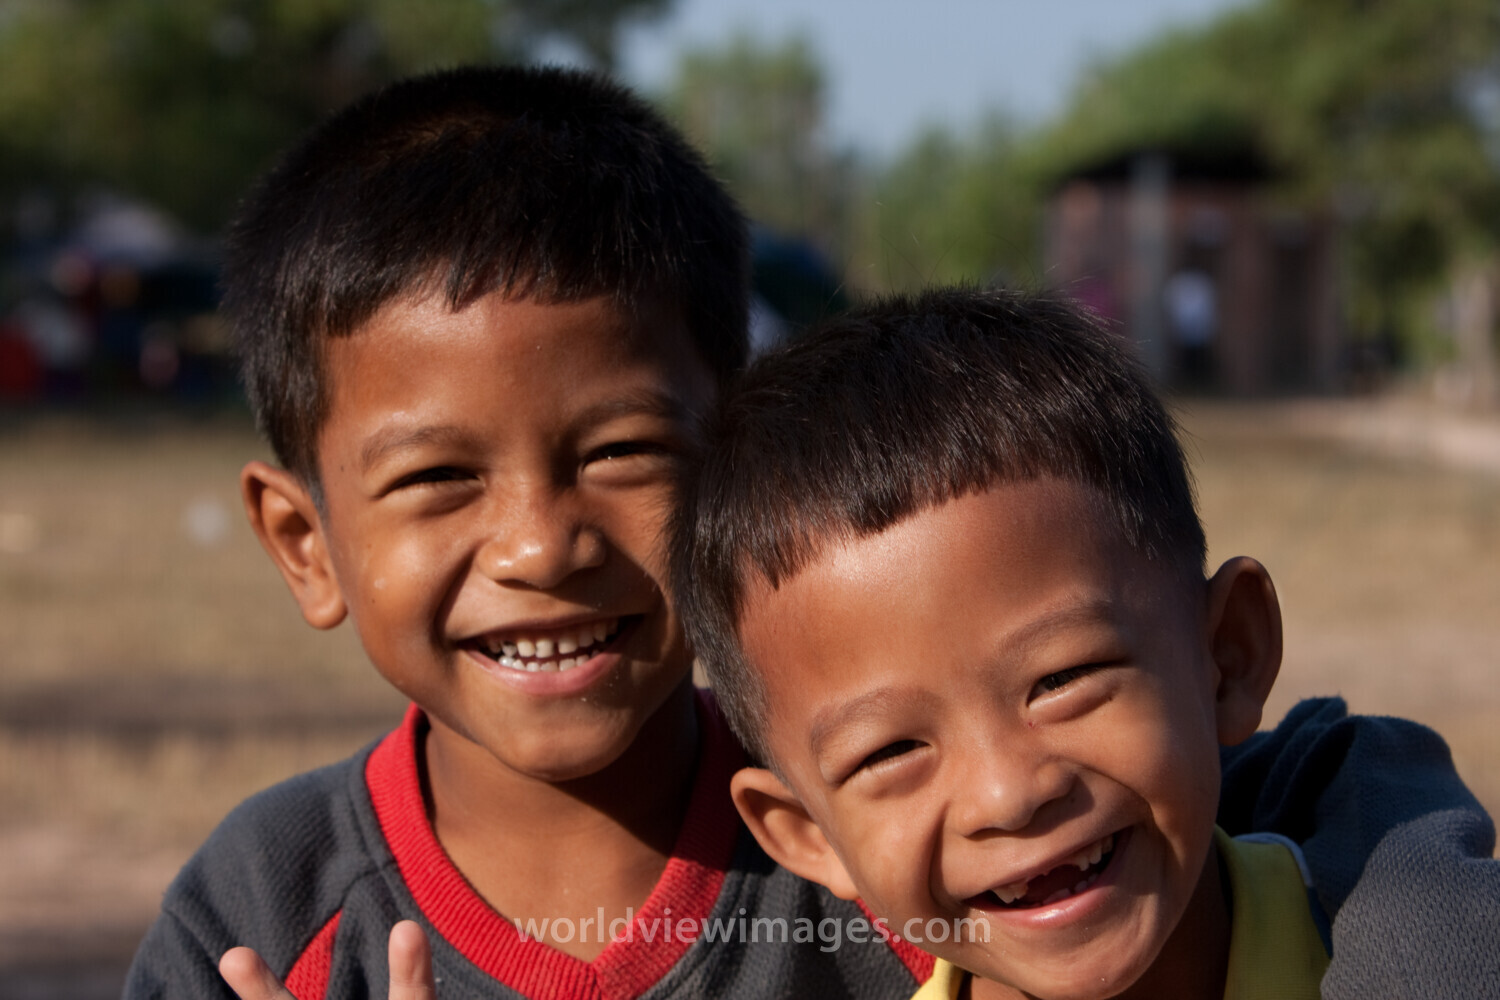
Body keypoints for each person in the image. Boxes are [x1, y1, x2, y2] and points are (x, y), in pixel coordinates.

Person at [127, 67, 1493, 997]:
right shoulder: (262, 917)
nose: (540, 543)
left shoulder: (909, 832)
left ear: (738, 460)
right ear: (304, 543)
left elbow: (1333, 784)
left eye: (620, 452)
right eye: (436, 480)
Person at [672, 286, 1500, 999]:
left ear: (1230, 656)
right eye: (890, 752)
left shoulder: (1403, 937)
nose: (1008, 794)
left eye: (1064, 678)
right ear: (809, 835)